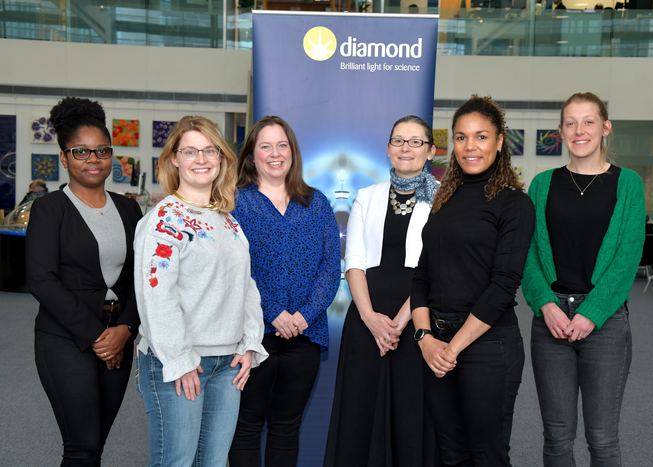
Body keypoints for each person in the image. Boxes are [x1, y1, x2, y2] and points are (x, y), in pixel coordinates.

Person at [134, 116, 267, 467]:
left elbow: (246, 286)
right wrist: (179, 360)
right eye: (190, 151)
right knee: (176, 462)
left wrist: (251, 342)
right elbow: (156, 298)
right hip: (180, 362)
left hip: (228, 366)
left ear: (222, 158)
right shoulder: (162, 221)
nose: (201, 159)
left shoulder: (228, 219)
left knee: (214, 463)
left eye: (210, 150)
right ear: (173, 158)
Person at [411, 95, 535, 467]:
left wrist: (452, 347)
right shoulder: (443, 199)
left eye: (481, 136)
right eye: (461, 137)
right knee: (451, 454)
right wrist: (426, 340)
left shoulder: (514, 203)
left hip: (487, 347)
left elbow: (502, 286)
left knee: (487, 456)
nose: (470, 146)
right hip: (436, 344)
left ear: (499, 142)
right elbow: (421, 276)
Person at [522, 92, 645, 466]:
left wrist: (591, 312)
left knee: (603, 439)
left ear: (605, 127)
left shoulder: (628, 184)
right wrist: (546, 305)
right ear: (560, 131)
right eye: (571, 123)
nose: (579, 130)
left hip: (605, 323)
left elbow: (626, 259)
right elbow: (526, 256)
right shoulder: (542, 184)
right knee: (557, 438)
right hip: (551, 322)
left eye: (589, 121)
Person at [26, 96, 142, 466]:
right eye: (81, 152)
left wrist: (125, 329)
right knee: (83, 446)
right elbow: (42, 280)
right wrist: (98, 336)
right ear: (64, 157)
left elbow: (141, 278)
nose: (94, 159)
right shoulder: (49, 209)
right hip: (66, 337)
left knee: (97, 445)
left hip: (119, 336)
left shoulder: (128, 207)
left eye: (102, 151)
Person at [324, 116, 440, 467]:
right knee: (360, 414)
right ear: (388, 148)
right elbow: (354, 261)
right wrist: (372, 319)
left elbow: (436, 267)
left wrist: (401, 321)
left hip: (418, 318)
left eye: (416, 141)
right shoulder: (367, 196)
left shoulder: (444, 200)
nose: (406, 148)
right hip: (366, 319)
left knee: (410, 415)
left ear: (431, 151)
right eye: (398, 141)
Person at [229, 116, 341, 467]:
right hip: (251, 335)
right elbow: (235, 270)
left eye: (282, 145)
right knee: (246, 427)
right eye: (265, 146)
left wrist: (303, 317)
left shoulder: (317, 203)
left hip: (305, 337)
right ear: (252, 154)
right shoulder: (235, 203)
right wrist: (273, 312)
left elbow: (330, 268)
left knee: (286, 427)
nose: (275, 153)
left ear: (292, 152)